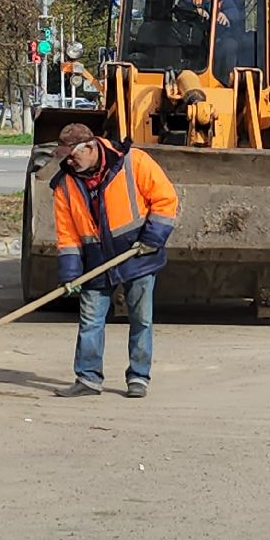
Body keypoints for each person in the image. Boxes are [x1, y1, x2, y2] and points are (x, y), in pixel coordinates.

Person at [48, 123, 179, 398]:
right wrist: (70, 274)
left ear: (90, 147)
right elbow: (67, 235)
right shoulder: (64, 184)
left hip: (137, 255)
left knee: (141, 319)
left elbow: (165, 200)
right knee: (90, 321)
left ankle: (138, 378)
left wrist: (152, 239)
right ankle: (88, 379)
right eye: (65, 157)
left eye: (72, 155)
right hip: (96, 262)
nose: (69, 162)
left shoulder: (133, 162)